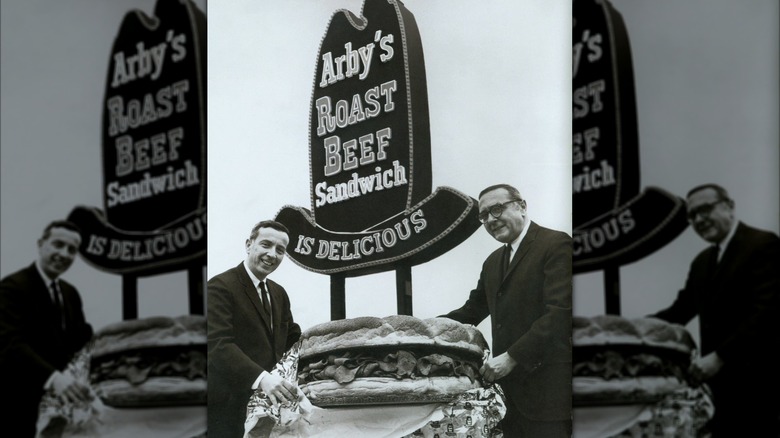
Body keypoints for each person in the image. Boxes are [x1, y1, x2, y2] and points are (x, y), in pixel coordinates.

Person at [649, 183, 780, 436]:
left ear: (729, 207)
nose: (699, 219)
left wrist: (720, 357)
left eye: (705, 209)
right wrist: (629, 328)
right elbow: (678, 312)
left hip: (759, 386)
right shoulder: (701, 263)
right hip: (718, 392)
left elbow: (767, 312)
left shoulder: (764, 244)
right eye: (692, 215)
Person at [442, 183, 572, 437]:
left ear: (522, 207)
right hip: (506, 399)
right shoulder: (491, 262)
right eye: (484, 215)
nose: (490, 219)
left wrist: (512, 357)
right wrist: (422, 328)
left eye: (497, 209)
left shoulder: (556, 244)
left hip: (548, 394)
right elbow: (471, 311)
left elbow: (561, 313)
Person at [207, 220, 302, 438]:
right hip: (226, 410)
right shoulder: (219, 287)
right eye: (266, 245)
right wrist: (263, 379)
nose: (272, 254)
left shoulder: (279, 293)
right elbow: (217, 345)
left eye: (280, 250)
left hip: (269, 412)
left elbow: (294, 340)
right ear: (249, 244)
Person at [0, 220, 94, 437]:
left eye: (72, 250)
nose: (64, 253)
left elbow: (80, 340)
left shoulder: (71, 294)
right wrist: (53, 378)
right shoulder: (11, 287)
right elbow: (10, 344)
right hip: (15, 404)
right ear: (40, 244)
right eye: (58, 244)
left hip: (59, 409)